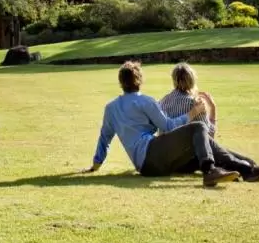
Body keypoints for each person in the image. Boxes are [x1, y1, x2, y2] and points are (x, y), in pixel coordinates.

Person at [82, 60, 242, 187]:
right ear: (139, 80)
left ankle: (248, 167)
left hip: (146, 167)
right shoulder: (146, 101)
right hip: (151, 154)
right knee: (198, 127)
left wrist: (96, 165)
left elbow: (105, 138)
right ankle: (210, 171)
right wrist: (192, 114)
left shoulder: (111, 108)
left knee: (206, 144)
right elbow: (168, 126)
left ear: (121, 82)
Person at [158, 62, 259, 183]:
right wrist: (213, 109)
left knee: (219, 151)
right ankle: (248, 168)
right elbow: (208, 138)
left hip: (169, 160)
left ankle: (250, 167)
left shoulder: (163, 101)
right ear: (192, 80)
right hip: (187, 160)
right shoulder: (194, 103)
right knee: (216, 150)